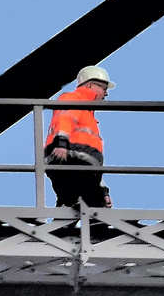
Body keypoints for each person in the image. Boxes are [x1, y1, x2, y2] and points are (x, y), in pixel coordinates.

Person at [44, 65, 114, 208]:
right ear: (90, 85)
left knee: (70, 201)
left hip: (77, 163)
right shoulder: (72, 99)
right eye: (104, 88)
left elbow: (91, 166)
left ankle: (61, 226)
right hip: (70, 160)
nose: (106, 94)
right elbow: (64, 119)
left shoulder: (88, 114)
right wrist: (61, 144)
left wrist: (103, 189)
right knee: (92, 202)